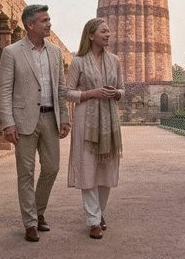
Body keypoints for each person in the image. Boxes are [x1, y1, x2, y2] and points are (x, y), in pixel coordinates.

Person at [0, 4, 71, 242]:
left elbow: (60, 88)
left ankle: (38, 210)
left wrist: (65, 118)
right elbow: (4, 90)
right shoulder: (12, 52)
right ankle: (30, 222)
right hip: (24, 120)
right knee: (26, 173)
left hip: (50, 118)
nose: (49, 24)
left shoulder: (55, 52)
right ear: (30, 25)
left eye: (49, 19)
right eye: (44, 20)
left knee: (52, 168)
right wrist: (8, 123)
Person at [63, 18, 124, 240]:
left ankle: (99, 213)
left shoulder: (115, 61)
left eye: (109, 32)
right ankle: (93, 221)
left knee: (106, 169)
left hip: (108, 121)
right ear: (91, 35)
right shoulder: (78, 62)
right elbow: (68, 92)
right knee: (88, 168)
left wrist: (116, 94)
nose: (108, 35)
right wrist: (91, 94)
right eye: (104, 31)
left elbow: (122, 89)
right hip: (85, 121)